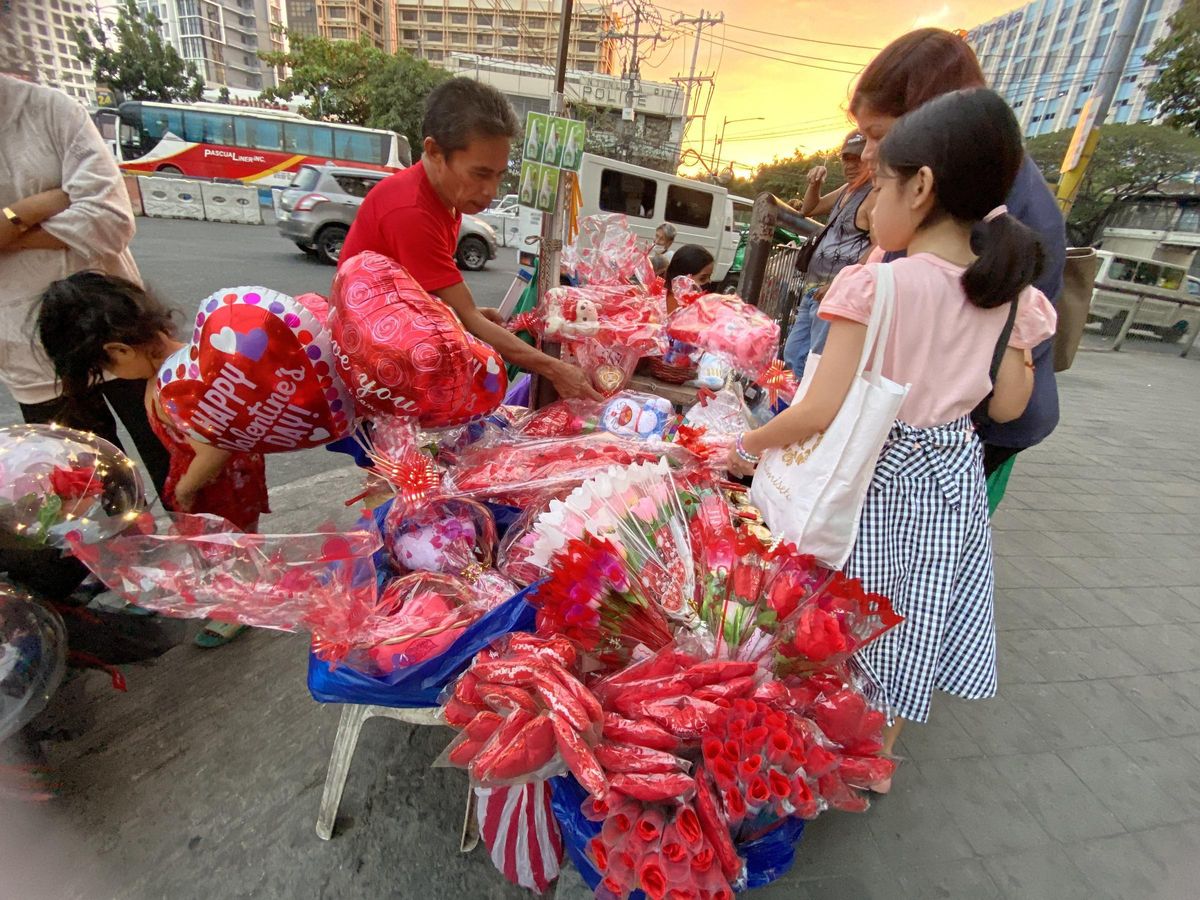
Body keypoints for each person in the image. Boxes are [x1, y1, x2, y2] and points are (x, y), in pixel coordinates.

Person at [726, 89, 1057, 785]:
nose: (870, 206)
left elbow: (818, 414)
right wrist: (1016, 335)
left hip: (874, 478)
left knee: (833, 621)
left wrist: (744, 448)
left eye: (879, 183)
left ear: (922, 185)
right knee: (909, 621)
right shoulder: (1011, 293)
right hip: (950, 482)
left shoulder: (876, 287)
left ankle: (803, 752)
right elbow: (1006, 407)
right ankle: (872, 760)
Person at [849, 28, 1067, 500]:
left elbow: (904, 338)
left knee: (899, 549)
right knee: (939, 550)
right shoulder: (987, 184)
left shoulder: (973, 209)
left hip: (960, 433)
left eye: (879, 137)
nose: (868, 156)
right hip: (966, 428)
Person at [37, 273, 270, 648]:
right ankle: (222, 587)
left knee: (226, 543)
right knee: (213, 541)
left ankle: (237, 606)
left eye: (107, 368)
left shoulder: (176, 388)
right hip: (216, 476)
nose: (112, 376)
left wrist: (187, 487)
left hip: (216, 483)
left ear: (120, 351)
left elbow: (216, 447)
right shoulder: (181, 359)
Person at [342, 77, 601, 401]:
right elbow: (469, 319)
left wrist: (466, 312)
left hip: (398, 350)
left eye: (499, 175)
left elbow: (428, 298)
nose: (491, 191)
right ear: (435, 152)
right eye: (480, 174)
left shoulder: (447, 200)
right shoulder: (411, 210)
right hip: (375, 373)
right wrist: (556, 369)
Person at [0, 76, 170, 495]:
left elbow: (110, 221)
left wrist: (8, 226)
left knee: (184, 475)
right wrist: (43, 203)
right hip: (35, 358)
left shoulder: (49, 110)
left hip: (124, 335)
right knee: (96, 502)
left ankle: (211, 560)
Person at [783, 132, 873, 378]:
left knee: (815, 359)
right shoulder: (848, 189)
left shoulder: (875, 194)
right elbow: (808, 209)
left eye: (858, 158)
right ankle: (788, 408)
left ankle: (803, 411)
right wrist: (814, 184)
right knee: (793, 354)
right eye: (846, 157)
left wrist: (840, 283)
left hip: (837, 292)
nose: (850, 164)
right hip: (814, 287)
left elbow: (879, 246)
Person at [664, 244, 714, 313]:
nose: (709, 282)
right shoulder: (673, 308)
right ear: (681, 280)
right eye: (703, 278)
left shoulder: (691, 304)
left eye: (709, 277)